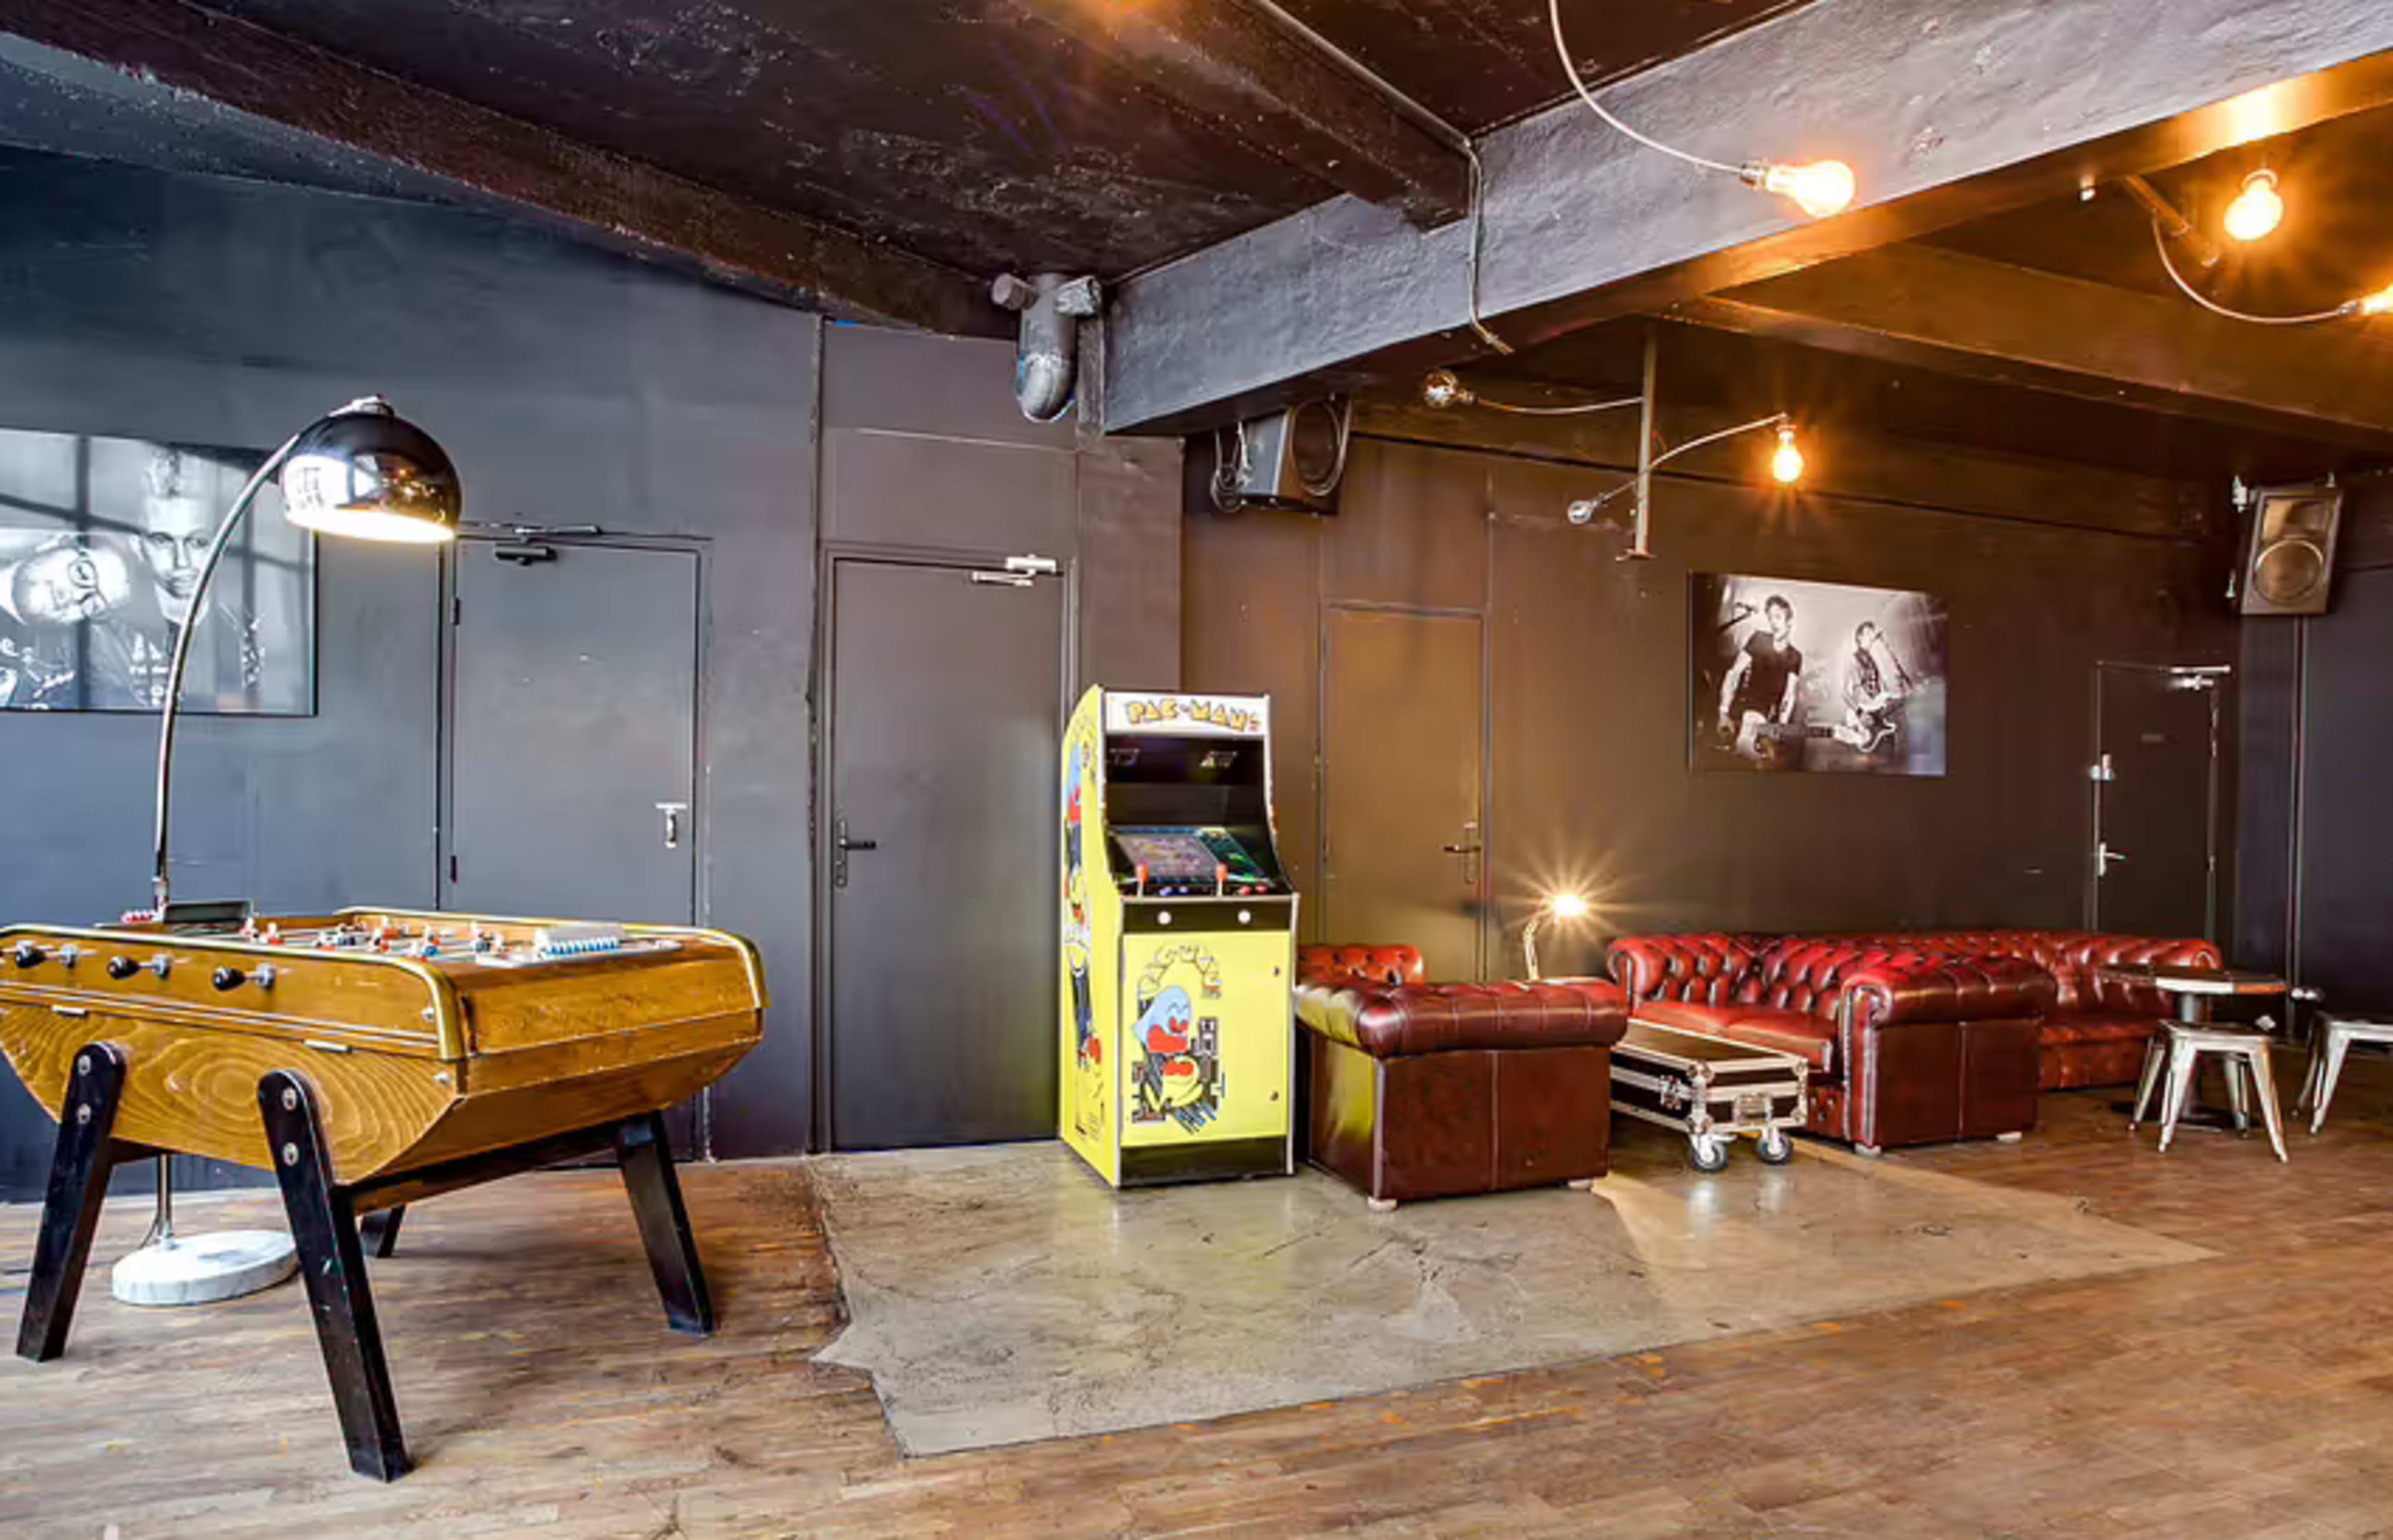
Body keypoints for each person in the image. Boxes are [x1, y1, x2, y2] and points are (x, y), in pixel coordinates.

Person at [0, 535, 134, 709]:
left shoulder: (62, 675)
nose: (78, 596)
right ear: (56, 543)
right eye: (82, 574)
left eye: (93, 604)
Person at [1716, 593, 1803, 756]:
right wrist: (1723, 711)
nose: (1773, 623)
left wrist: (1782, 724)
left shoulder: (1795, 657)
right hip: (1744, 708)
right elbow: (1734, 673)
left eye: (1778, 617)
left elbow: (1789, 695)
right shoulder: (1759, 639)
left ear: (1790, 622)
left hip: (1767, 716)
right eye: (1770, 617)